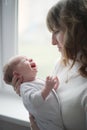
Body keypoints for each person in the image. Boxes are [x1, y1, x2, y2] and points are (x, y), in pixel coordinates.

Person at [11, 0, 87, 130]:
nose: (52, 42)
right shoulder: (62, 63)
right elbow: (51, 100)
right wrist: (28, 91)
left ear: (77, 30)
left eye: (56, 31)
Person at [3, 55, 64, 130]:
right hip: (48, 125)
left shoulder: (35, 81)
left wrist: (53, 87)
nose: (31, 59)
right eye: (25, 60)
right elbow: (35, 100)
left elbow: (46, 95)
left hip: (54, 121)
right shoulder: (25, 88)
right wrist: (47, 88)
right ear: (17, 74)